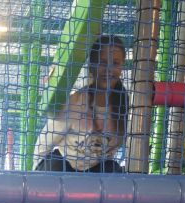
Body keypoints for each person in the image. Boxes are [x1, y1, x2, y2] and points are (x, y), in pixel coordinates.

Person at [34, 35, 128, 174]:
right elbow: (44, 144)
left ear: (122, 66)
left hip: (96, 170)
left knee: (113, 170)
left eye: (115, 63)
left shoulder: (125, 106)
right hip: (65, 165)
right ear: (92, 66)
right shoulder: (75, 103)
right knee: (54, 165)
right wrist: (37, 175)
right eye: (102, 63)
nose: (109, 69)